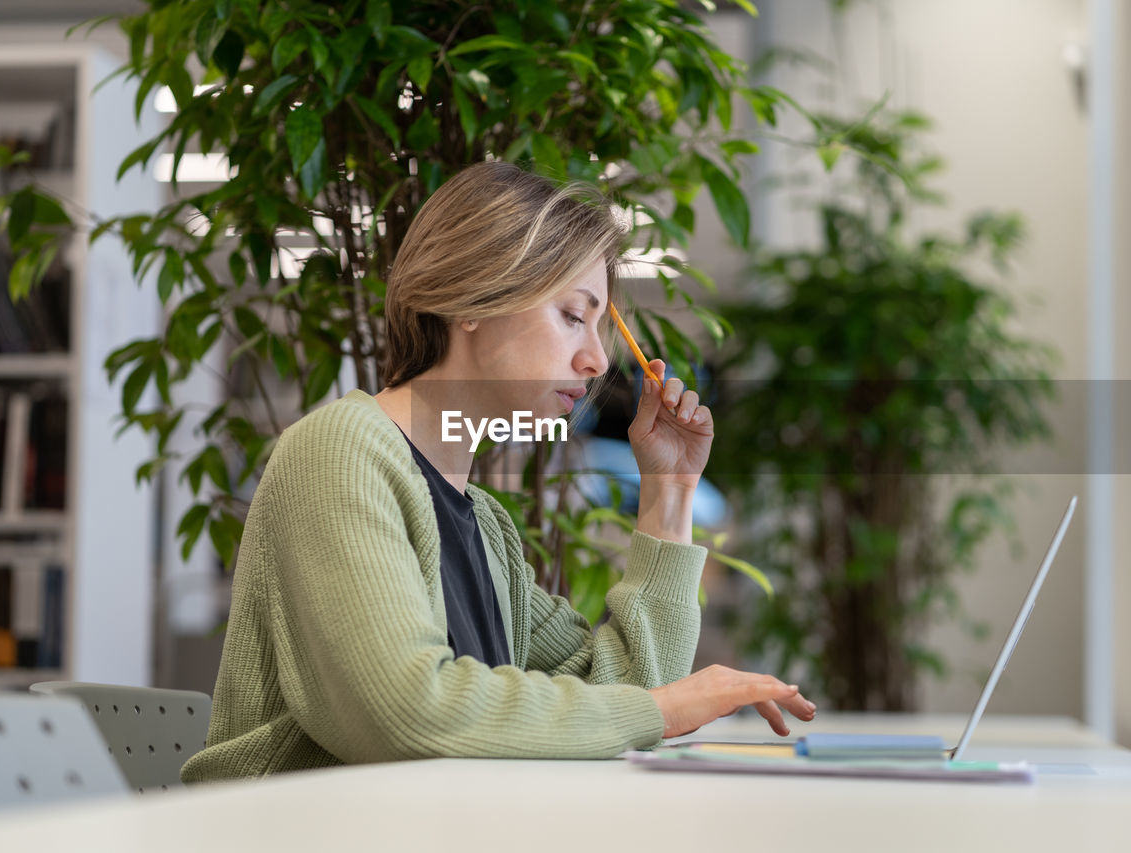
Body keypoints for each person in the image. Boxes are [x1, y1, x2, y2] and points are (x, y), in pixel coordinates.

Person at [181, 162, 815, 780]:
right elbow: (405, 713)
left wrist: (669, 490)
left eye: (598, 326)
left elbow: (623, 690)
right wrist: (659, 709)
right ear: (473, 299)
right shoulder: (338, 452)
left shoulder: (483, 522)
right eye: (573, 315)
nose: (598, 360)